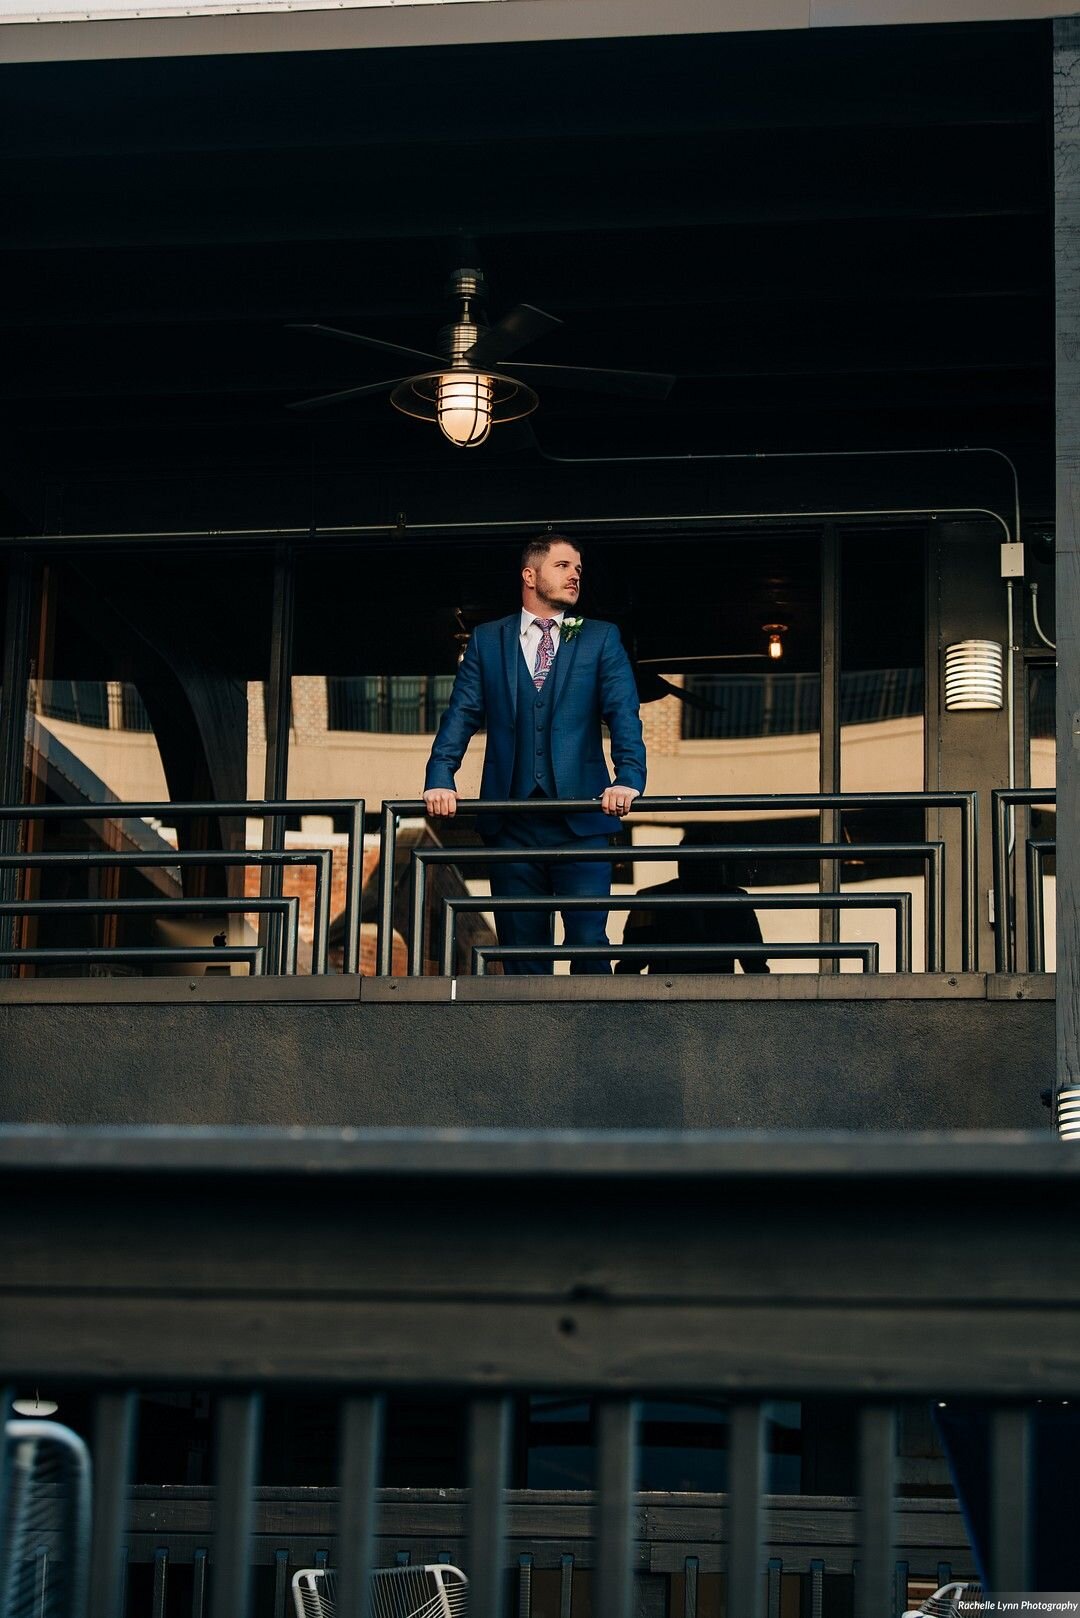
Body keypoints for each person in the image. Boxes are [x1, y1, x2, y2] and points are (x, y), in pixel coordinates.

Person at [423, 534, 646, 974]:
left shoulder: (599, 637)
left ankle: (590, 1041)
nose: (574, 575)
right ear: (530, 575)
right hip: (512, 823)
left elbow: (623, 712)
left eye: (578, 569)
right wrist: (440, 775)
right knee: (521, 952)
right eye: (563, 566)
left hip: (582, 819)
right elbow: (462, 713)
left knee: (588, 945)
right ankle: (531, 1045)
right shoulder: (488, 640)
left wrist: (628, 778)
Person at [614, 833, 770, 976]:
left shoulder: (651, 899)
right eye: (695, 863)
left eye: (707, 863)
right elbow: (756, 966)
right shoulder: (650, 900)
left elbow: (629, 966)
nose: (702, 870)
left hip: (680, 995)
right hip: (696, 995)